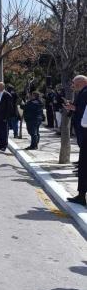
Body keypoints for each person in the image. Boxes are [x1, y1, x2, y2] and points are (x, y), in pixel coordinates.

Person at [65, 75, 87, 206]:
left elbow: (84, 112)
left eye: (75, 82)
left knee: (84, 166)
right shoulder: (82, 93)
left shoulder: (85, 93)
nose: (73, 85)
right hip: (83, 134)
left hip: (85, 134)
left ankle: (81, 196)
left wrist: (74, 108)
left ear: (82, 82)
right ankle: (81, 195)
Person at [0, 82, 13, 151]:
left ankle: (4, 145)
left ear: (1, 87)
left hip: (3, 117)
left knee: (4, 131)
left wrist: (6, 117)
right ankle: (0, 144)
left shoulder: (7, 95)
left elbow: (9, 108)